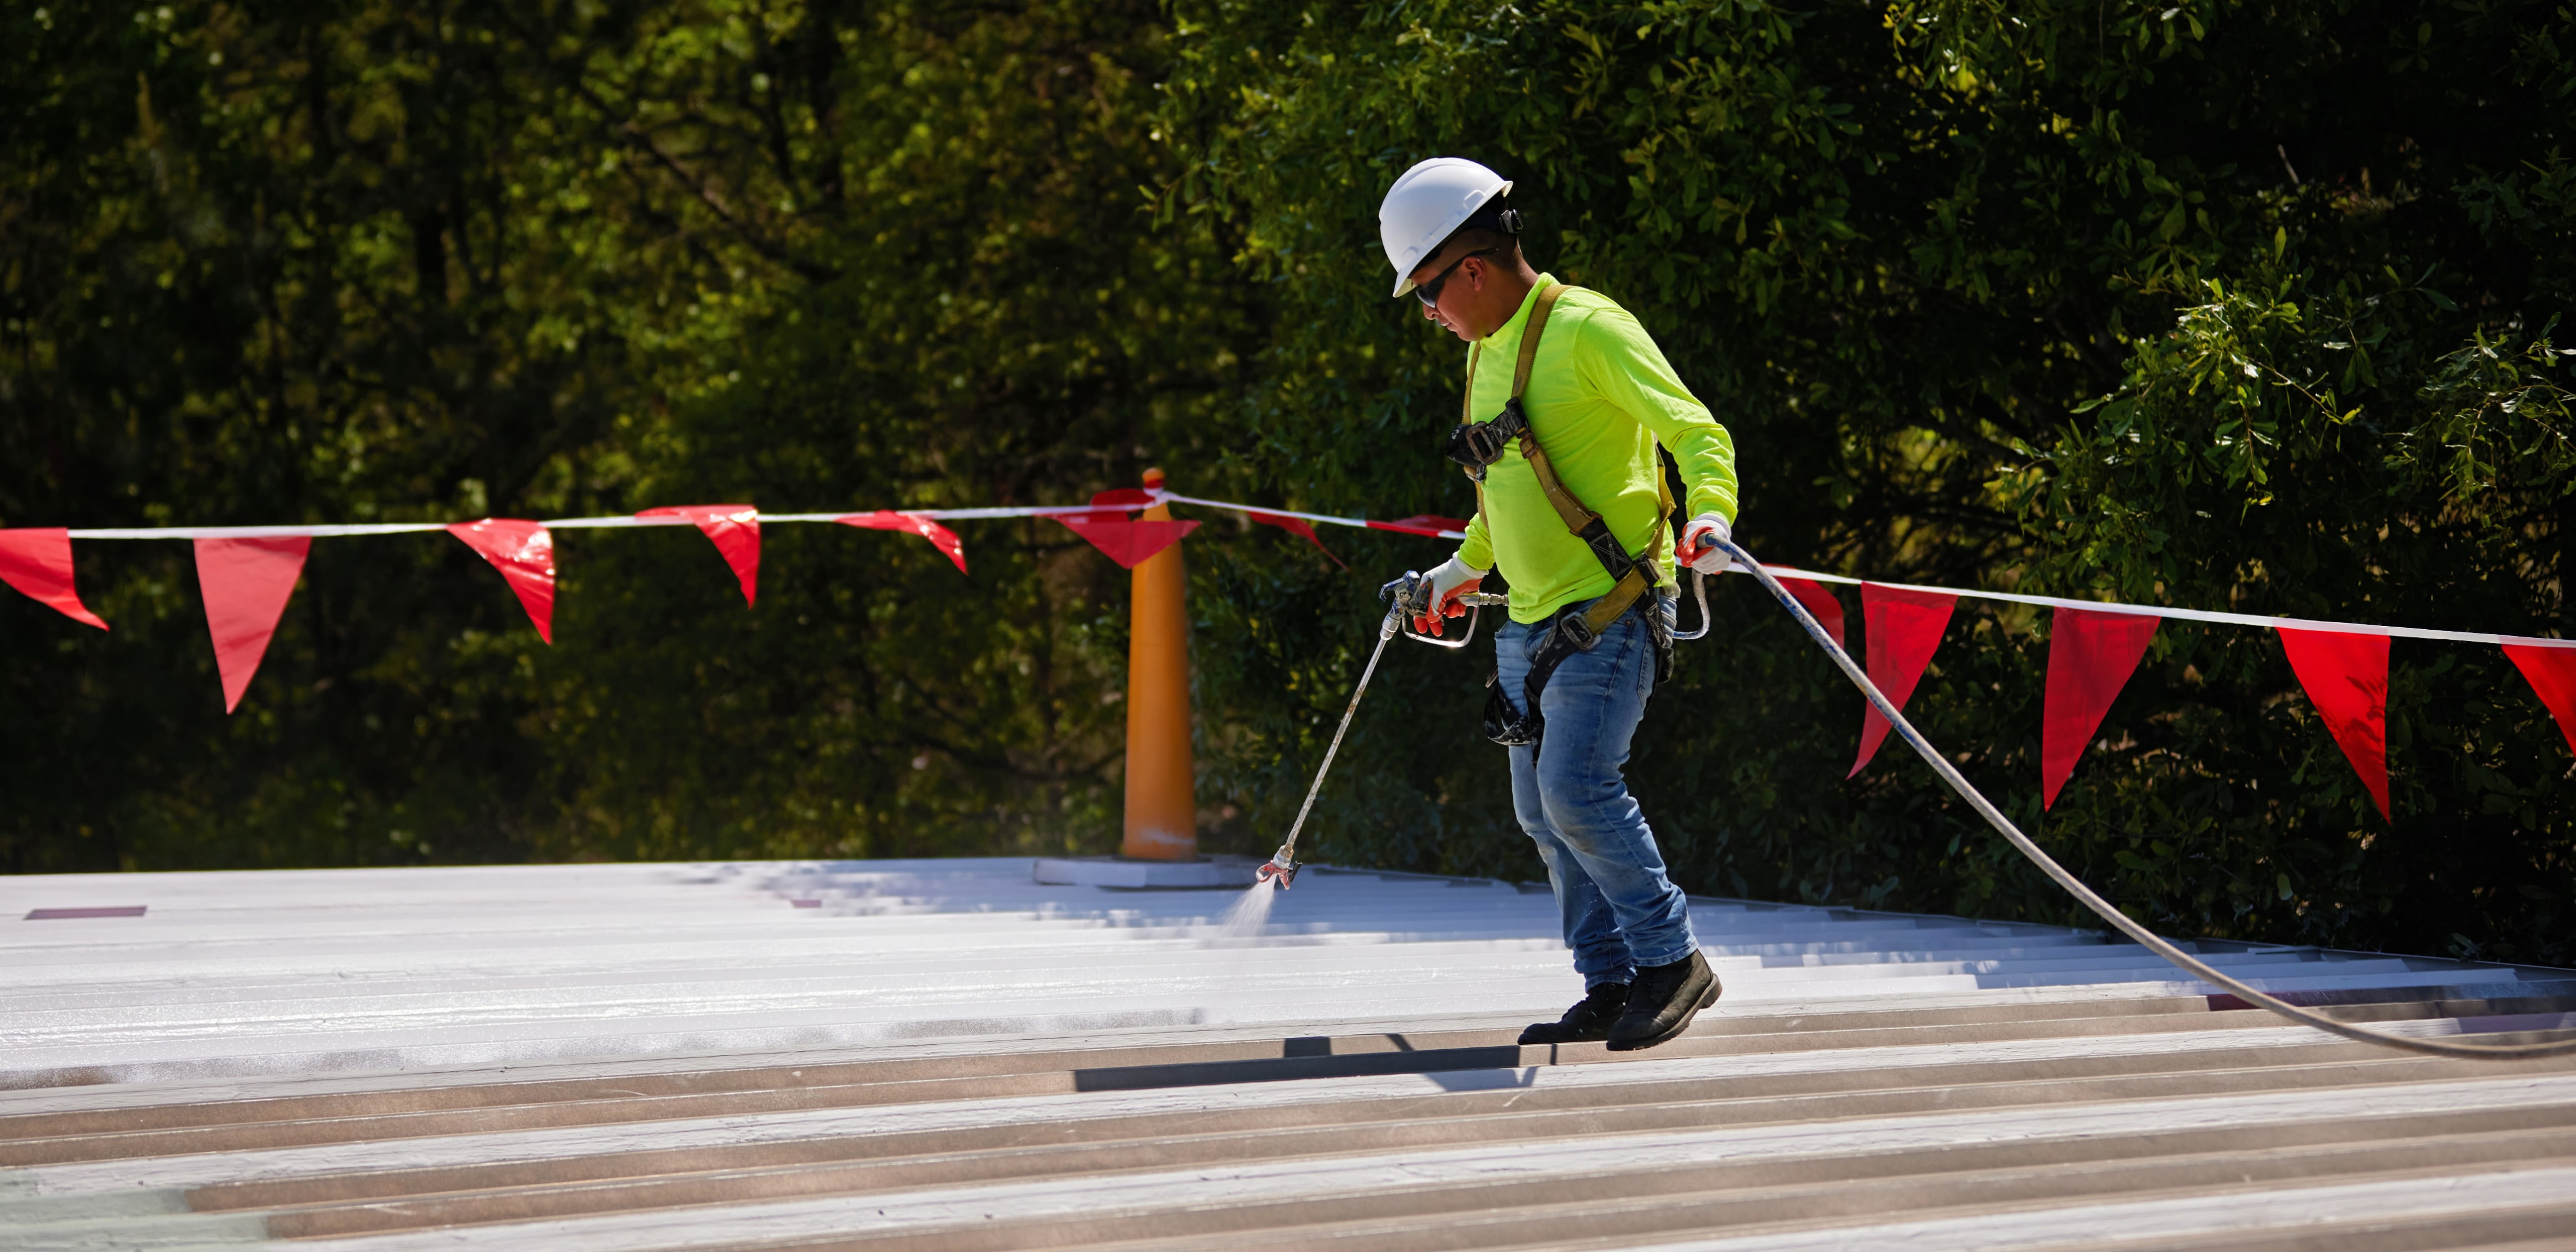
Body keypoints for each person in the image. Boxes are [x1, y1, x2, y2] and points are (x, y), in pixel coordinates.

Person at [1378, 157, 1738, 1052]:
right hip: (1526, 622)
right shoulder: (1483, 351)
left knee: (1576, 789)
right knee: (1541, 812)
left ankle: (1672, 962)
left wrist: (1709, 512)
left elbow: (1694, 429)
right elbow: (1504, 497)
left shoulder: (1588, 329)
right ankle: (1610, 981)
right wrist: (1454, 575)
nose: (1429, 315)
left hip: (1609, 610)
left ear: (1470, 267)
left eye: (1427, 292)